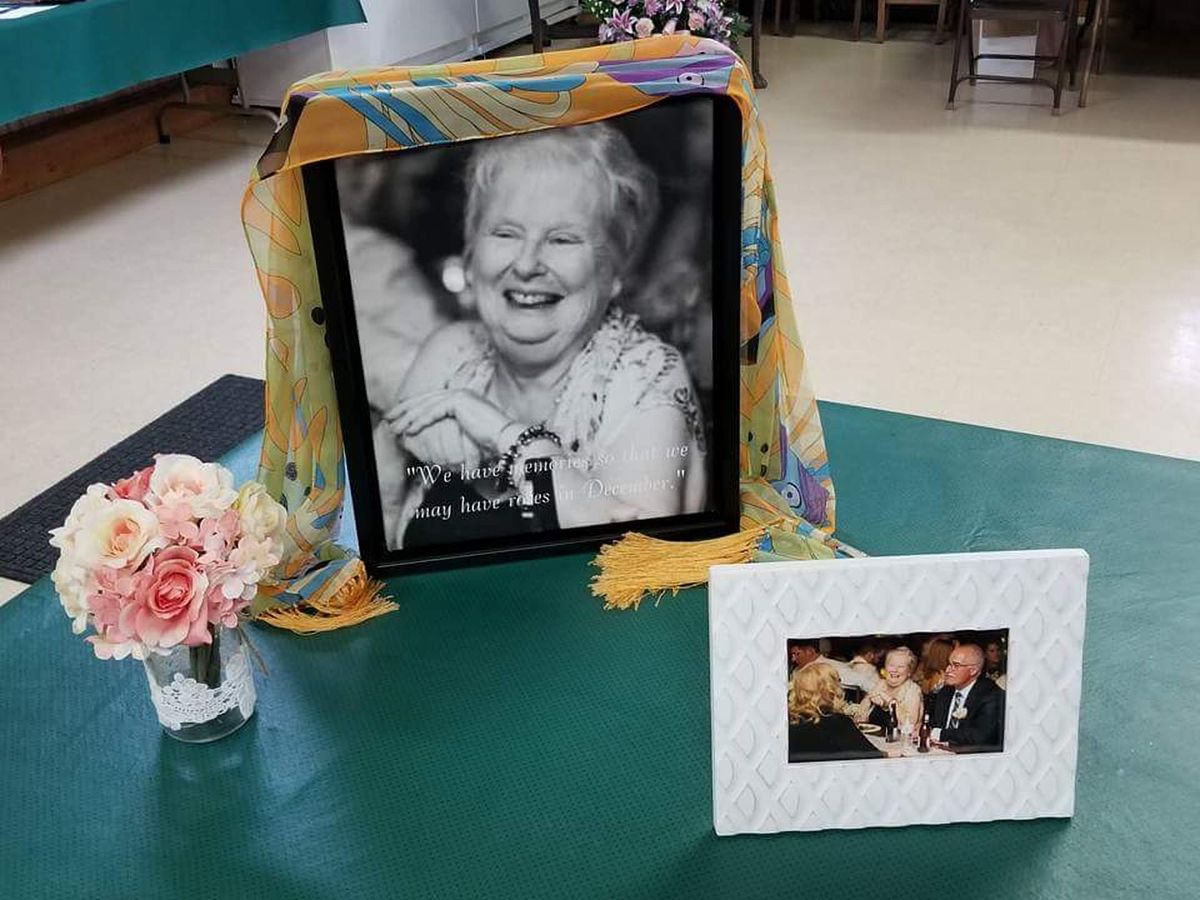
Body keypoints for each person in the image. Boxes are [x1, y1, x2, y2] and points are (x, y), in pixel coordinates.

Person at [374, 122, 708, 549]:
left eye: (562, 239)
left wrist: (508, 438)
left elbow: (638, 555)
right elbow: (386, 527)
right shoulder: (451, 353)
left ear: (613, 273)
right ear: (472, 257)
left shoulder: (647, 374)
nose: (527, 264)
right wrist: (389, 448)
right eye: (505, 233)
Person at [788, 663, 884, 763]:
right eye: (838, 681)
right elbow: (873, 757)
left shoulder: (789, 720)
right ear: (830, 689)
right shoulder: (837, 722)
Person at [928, 644, 1005, 752]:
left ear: (973, 670)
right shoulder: (945, 691)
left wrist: (939, 733)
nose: (948, 670)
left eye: (956, 665)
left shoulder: (992, 695)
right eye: (949, 664)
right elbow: (934, 723)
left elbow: (979, 736)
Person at [853, 647, 923, 732]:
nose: (895, 670)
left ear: (909, 672)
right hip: (872, 737)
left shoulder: (913, 690)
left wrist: (890, 702)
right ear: (885, 667)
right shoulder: (880, 684)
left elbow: (909, 724)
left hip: (898, 739)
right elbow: (858, 717)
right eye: (891, 665)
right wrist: (869, 700)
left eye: (900, 666)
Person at [788, 640, 878, 693]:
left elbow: (863, 682)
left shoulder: (833, 666)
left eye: (797, 654)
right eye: (792, 655)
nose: (793, 659)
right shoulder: (796, 670)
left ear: (810, 651)